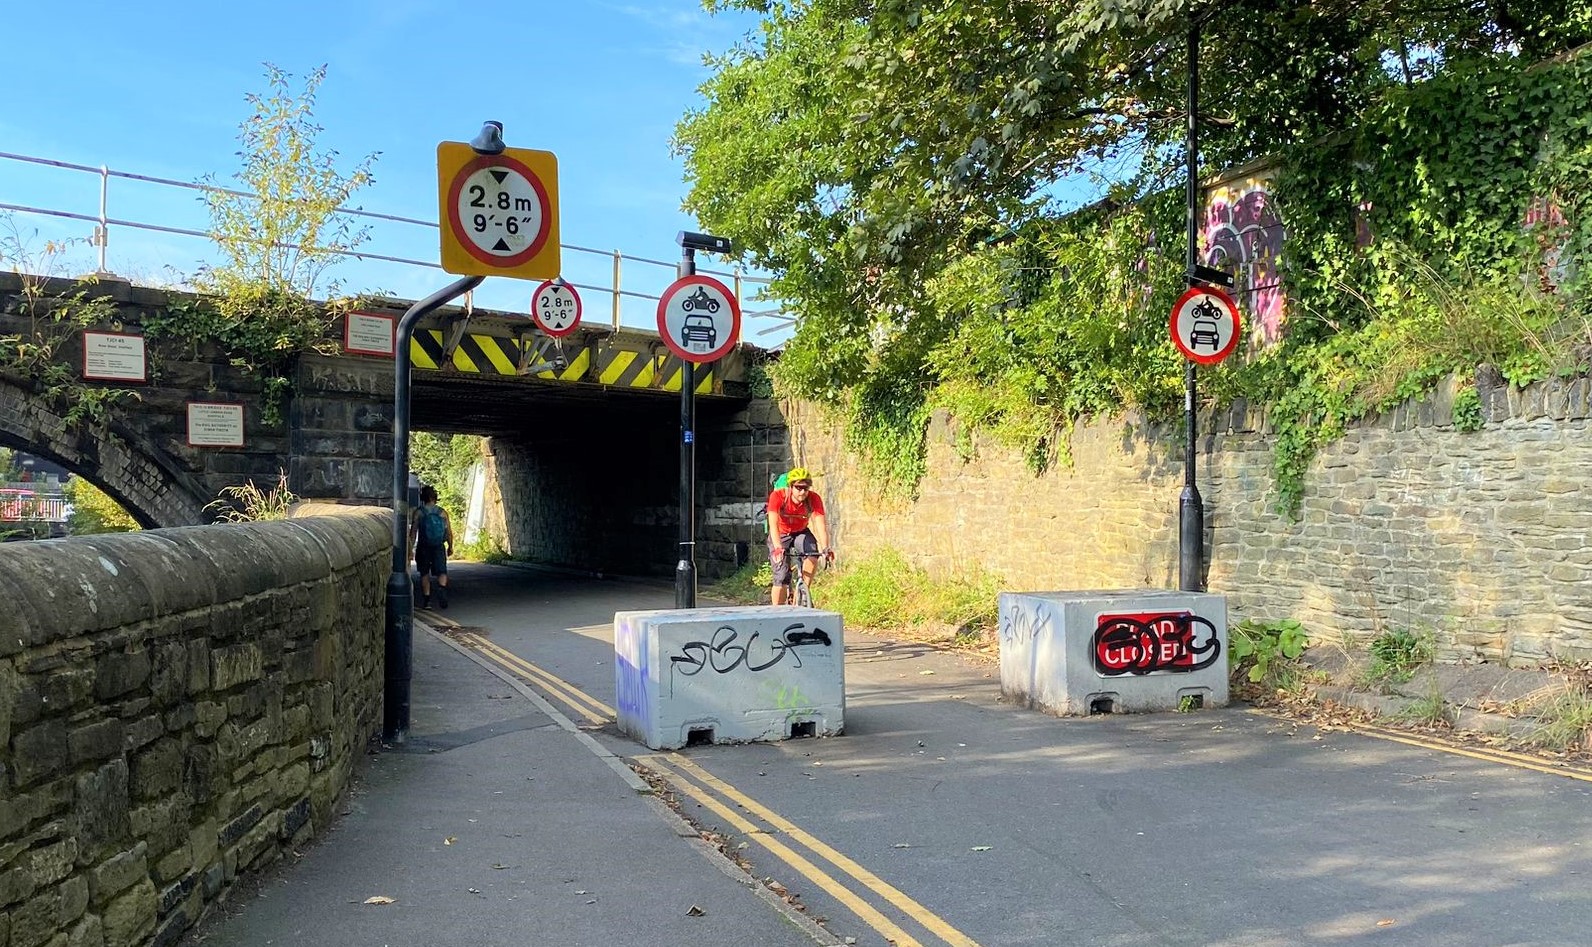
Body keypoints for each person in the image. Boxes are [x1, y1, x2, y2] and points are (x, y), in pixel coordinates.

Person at [766, 466, 833, 605]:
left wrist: (826, 547)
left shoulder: (813, 498)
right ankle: (775, 614)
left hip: (801, 531)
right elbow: (773, 524)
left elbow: (820, 524)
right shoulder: (778, 496)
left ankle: (802, 594)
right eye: (798, 487)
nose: (803, 492)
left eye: (806, 488)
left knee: (813, 554)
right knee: (781, 576)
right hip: (781, 533)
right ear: (790, 487)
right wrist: (778, 548)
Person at [408, 485, 454, 609]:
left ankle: (427, 600)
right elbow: (449, 532)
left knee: (424, 573)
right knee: (442, 571)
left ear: (422, 497)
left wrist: (410, 549)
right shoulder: (442, 513)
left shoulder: (419, 512)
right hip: (438, 546)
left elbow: (413, 532)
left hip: (423, 546)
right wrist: (450, 546)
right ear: (435, 497)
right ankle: (442, 589)